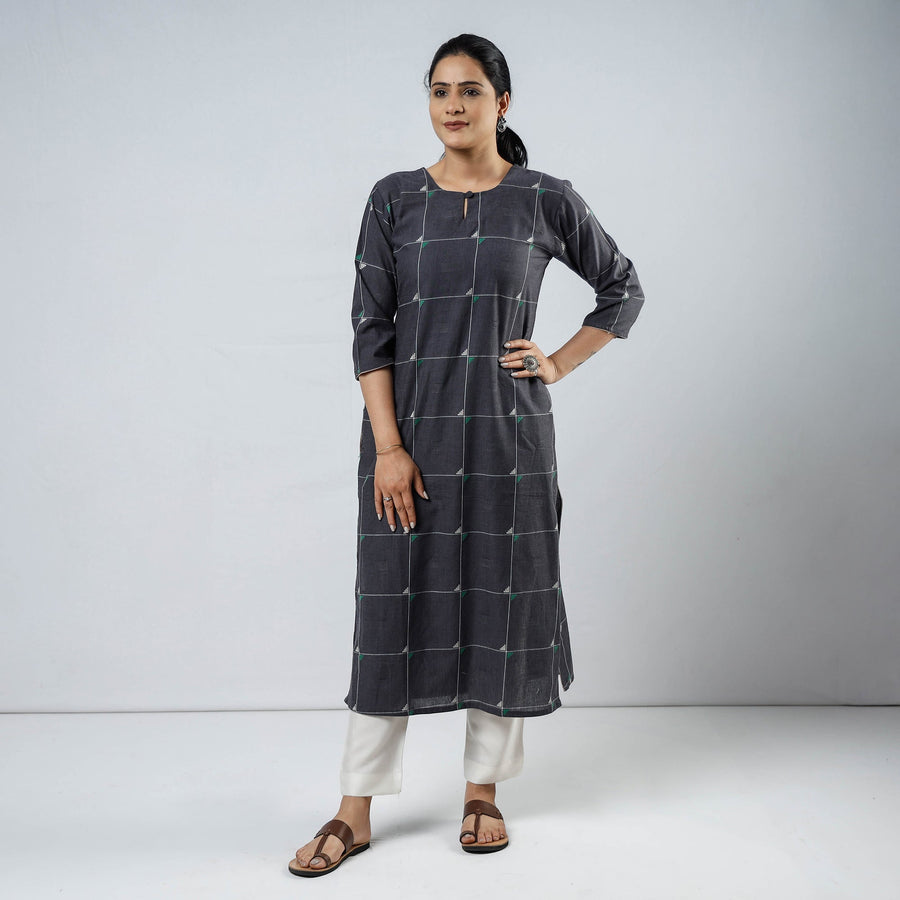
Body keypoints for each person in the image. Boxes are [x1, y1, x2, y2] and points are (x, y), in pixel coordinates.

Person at [289, 32, 644, 877]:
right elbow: (369, 331)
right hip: (409, 439)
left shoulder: (544, 198)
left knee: (502, 604)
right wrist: (388, 447)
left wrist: (557, 362)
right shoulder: (394, 200)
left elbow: (621, 289)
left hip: (507, 439)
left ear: (502, 102)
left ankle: (483, 792)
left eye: (471, 90)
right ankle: (353, 809)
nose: (453, 105)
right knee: (388, 613)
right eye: (440, 90)